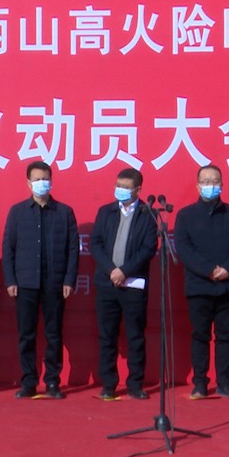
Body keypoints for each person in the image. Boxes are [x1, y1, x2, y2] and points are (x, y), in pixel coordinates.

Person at [2, 161, 80, 399]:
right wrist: (10, 280)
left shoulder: (64, 212)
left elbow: (72, 250)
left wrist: (69, 280)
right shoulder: (17, 212)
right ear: (28, 183)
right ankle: (29, 381)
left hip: (54, 283)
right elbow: (8, 248)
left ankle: (53, 382)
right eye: (36, 179)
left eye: (45, 179)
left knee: (53, 334)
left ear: (51, 181)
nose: (41, 183)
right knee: (26, 335)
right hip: (25, 283)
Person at [174, 165, 229, 399]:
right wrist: (208, 270)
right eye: (206, 181)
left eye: (215, 181)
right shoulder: (185, 215)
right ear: (198, 186)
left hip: (228, 284)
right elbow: (184, 249)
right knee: (200, 336)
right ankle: (200, 383)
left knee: (226, 336)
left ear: (222, 185)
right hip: (199, 286)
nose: (211, 185)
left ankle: (224, 383)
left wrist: (227, 269)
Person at [91, 168, 158, 400]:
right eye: (118, 185)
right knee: (107, 336)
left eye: (126, 187)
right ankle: (108, 384)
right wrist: (112, 270)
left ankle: (135, 384)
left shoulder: (147, 214)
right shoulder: (106, 212)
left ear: (138, 189)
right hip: (107, 283)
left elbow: (148, 249)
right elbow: (96, 244)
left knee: (135, 336)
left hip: (134, 285)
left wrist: (124, 271)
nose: (120, 190)